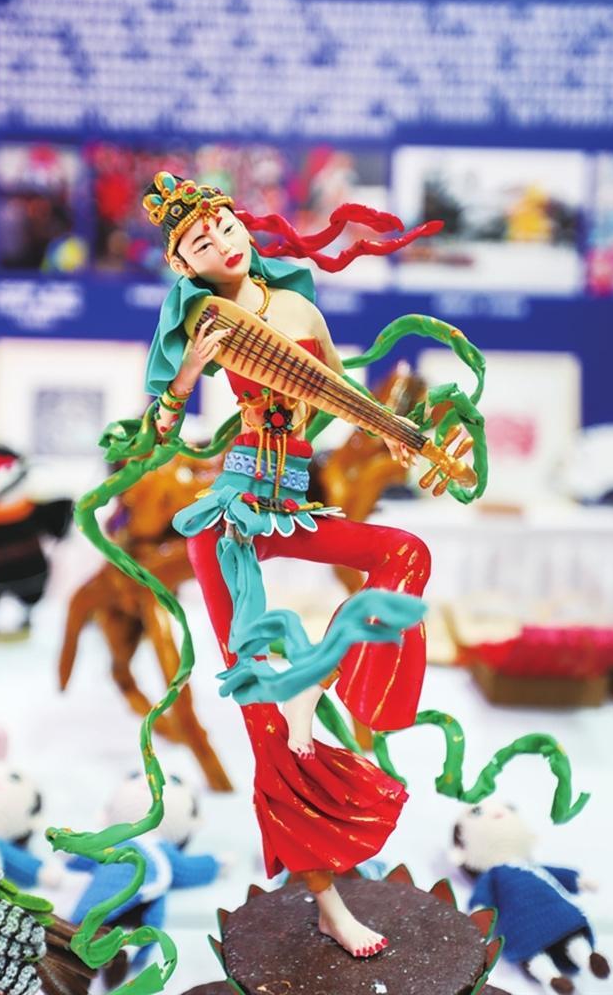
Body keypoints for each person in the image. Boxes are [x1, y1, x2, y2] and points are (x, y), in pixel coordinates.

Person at [140, 173, 440, 957]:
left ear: (243, 228)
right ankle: (329, 904)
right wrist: (186, 372)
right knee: (263, 724)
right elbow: (160, 428)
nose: (220, 243)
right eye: (199, 242)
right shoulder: (208, 322)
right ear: (184, 266)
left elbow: (339, 397)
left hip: (292, 501)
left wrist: (396, 432)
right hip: (231, 520)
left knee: (404, 552)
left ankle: (328, 681)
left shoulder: (300, 310)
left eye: (224, 227)